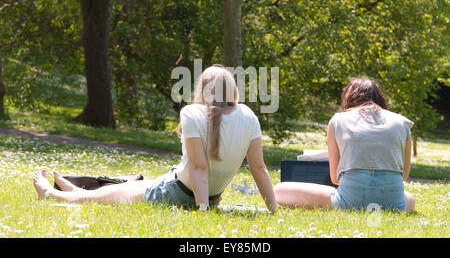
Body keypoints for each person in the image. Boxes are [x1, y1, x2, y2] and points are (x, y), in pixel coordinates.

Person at [33, 65, 278, 212]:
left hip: (177, 193)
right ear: (232, 88)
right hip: (208, 197)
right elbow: (259, 168)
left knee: (106, 196)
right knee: (128, 188)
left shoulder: (191, 112)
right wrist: (273, 210)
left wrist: (202, 210)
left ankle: (53, 194)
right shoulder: (248, 115)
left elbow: (199, 166)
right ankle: (76, 190)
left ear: (202, 89)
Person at [274, 77, 415, 213]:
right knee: (409, 198)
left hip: (349, 201)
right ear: (380, 98)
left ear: (349, 97)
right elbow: (404, 176)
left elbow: (335, 177)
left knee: (278, 190)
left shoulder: (337, 120)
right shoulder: (402, 122)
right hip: (393, 203)